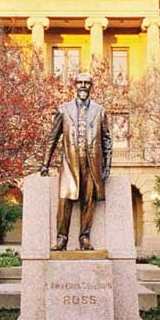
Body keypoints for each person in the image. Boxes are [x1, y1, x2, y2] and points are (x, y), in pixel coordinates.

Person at [41, 73, 112, 250]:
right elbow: (52, 138)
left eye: (87, 83)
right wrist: (45, 164)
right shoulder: (63, 109)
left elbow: (107, 140)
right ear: (75, 85)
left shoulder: (100, 110)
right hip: (69, 162)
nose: (83, 86)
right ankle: (61, 239)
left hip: (92, 164)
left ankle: (84, 238)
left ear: (91, 86)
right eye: (80, 83)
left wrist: (107, 165)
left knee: (89, 201)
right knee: (65, 200)